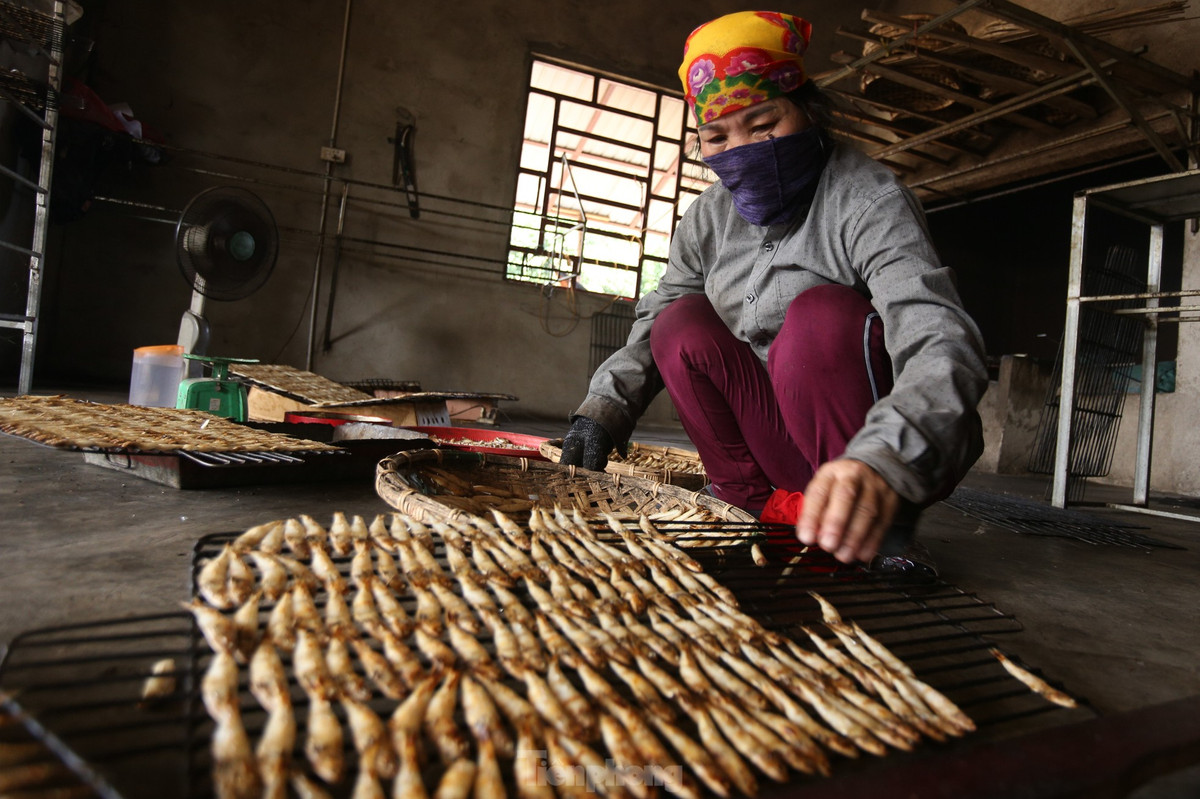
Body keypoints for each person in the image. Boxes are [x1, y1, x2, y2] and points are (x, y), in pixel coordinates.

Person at [559, 10, 987, 571]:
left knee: (819, 316)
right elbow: (661, 313)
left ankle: (872, 521)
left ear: (808, 111)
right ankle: (748, 504)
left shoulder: (867, 199)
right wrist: (605, 406)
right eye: (717, 136)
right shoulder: (707, 219)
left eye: (764, 124)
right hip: (780, 438)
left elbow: (940, 336)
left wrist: (885, 458)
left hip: (870, 456)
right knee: (678, 321)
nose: (743, 147)